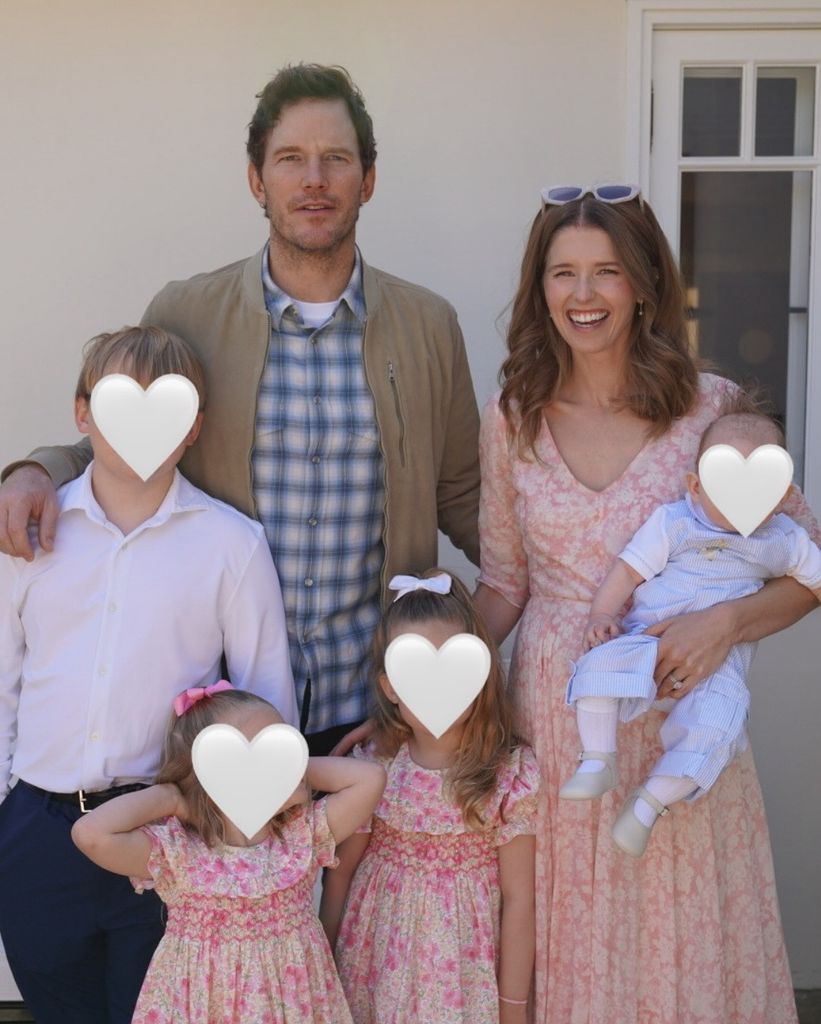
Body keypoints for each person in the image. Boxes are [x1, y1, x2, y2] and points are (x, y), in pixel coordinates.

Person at [0, 63, 481, 756]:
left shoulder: (427, 325)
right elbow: (121, 446)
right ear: (257, 180)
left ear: (367, 180)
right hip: (220, 716)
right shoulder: (187, 312)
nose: (313, 179)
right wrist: (33, 472)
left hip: (374, 710)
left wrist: (556, 590)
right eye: (290, 159)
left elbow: (464, 493)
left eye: (335, 159)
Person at [473, 184, 821, 1024]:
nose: (583, 295)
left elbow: (807, 569)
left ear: (642, 285)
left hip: (681, 713)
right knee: (566, 931)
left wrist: (725, 623)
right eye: (562, 274)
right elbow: (503, 585)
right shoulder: (511, 417)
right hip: (564, 727)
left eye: (606, 272)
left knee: (676, 930)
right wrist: (422, 691)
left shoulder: (714, 409)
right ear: (539, 288)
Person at [0, 326, 297, 1024]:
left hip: (164, 835)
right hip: (38, 831)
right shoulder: (30, 537)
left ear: (191, 426)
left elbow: (267, 698)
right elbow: (4, 679)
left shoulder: (230, 545)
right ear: (82, 414)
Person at [559, 403, 821, 857]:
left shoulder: (783, 539)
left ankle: (650, 802)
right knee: (597, 663)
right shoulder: (675, 523)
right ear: (696, 488)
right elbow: (627, 573)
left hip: (716, 668)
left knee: (722, 723)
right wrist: (601, 615)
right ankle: (598, 757)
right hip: (647, 638)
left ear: (781, 497)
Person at [72, 685, 386, 1024]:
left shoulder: (301, 836)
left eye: (279, 750)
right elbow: (90, 834)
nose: (273, 764)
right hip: (205, 1006)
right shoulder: (178, 852)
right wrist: (173, 798)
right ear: (207, 772)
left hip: (292, 1003)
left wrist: (291, 771)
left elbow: (370, 778)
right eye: (257, 756)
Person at [320, 569, 540, 1024]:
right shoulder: (375, 767)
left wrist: (513, 1008)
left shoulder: (506, 774)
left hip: (462, 972)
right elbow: (340, 875)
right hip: (377, 963)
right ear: (390, 687)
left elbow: (520, 898)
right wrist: (320, 974)